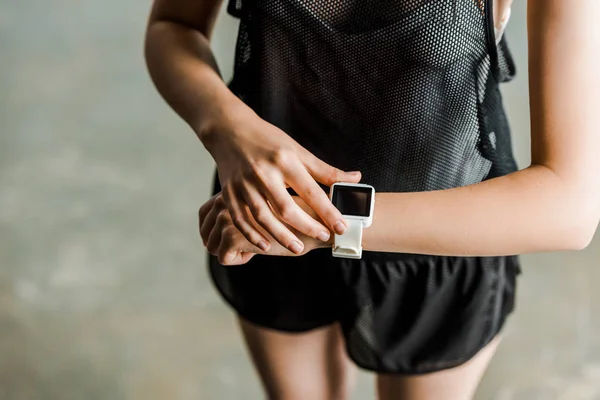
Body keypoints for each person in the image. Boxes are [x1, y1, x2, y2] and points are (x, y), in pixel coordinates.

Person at [145, 0, 600, 398]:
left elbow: (570, 203)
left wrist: (324, 220)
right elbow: (173, 24)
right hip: (271, 208)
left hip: (437, 238)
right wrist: (228, 128)